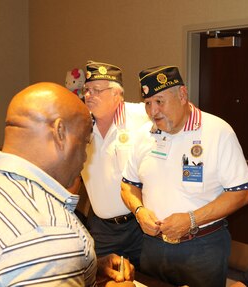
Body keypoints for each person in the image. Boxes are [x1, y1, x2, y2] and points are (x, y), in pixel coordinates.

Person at [0, 82, 135, 287]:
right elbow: (41, 252)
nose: (86, 157)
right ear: (60, 133)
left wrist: (85, 267)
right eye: (85, 142)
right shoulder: (49, 232)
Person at [121, 65, 248, 287]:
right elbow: (128, 185)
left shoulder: (218, 132)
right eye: (148, 104)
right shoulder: (144, 135)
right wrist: (139, 210)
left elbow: (241, 194)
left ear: (182, 95)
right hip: (153, 245)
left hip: (202, 247)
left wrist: (191, 219)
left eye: (160, 101)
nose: (153, 112)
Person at [81, 61, 149, 268]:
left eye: (97, 90)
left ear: (117, 94)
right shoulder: (79, 123)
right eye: (87, 90)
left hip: (138, 225)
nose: (89, 95)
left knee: (143, 279)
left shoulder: (141, 116)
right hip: (102, 227)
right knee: (102, 277)